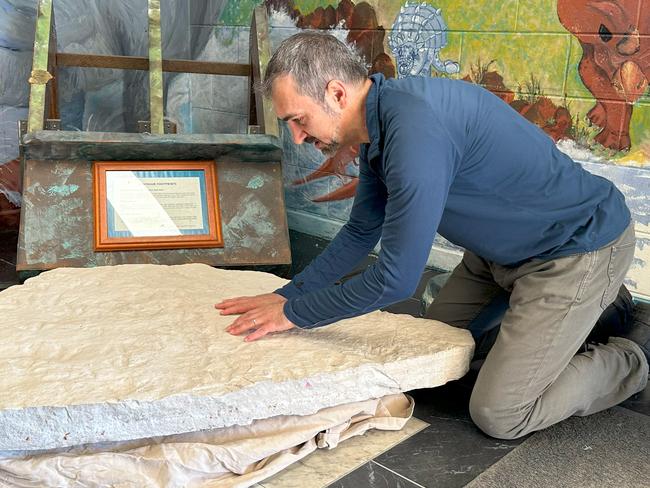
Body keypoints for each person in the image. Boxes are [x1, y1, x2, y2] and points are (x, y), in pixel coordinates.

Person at [215, 32, 649, 440]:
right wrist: (289, 295)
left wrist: (296, 316)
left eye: (297, 119)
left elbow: (395, 280)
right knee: (427, 360)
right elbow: (361, 231)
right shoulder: (379, 121)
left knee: (500, 412)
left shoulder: (415, 130)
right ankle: (596, 308)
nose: (296, 135)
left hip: (575, 250)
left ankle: (632, 360)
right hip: (495, 255)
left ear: (336, 93)